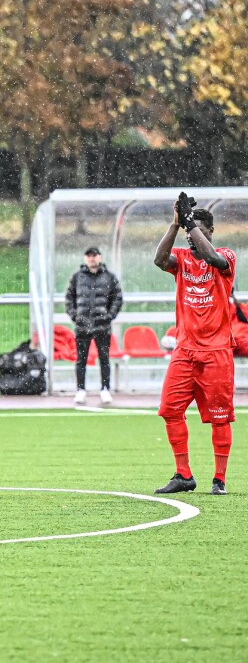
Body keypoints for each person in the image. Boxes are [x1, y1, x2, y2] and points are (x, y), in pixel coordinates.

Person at [152, 193, 235, 496]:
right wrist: (176, 224)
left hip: (216, 353)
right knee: (169, 410)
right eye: (189, 232)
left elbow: (213, 258)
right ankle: (183, 474)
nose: (190, 239)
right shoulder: (182, 259)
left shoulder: (225, 256)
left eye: (196, 231)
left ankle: (219, 478)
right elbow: (160, 259)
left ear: (209, 232)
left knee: (220, 416)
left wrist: (192, 226)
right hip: (185, 351)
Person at [64, 246, 123, 405]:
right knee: (81, 359)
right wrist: (75, 316)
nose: (92, 258)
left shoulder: (109, 277)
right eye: (89, 256)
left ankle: (105, 389)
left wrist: (109, 316)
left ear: (100, 257)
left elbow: (117, 298)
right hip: (82, 326)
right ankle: (81, 390)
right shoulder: (77, 277)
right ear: (85, 258)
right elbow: (69, 298)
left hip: (102, 326)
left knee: (104, 358)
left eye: (94, 255)